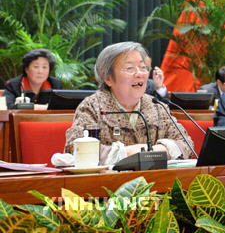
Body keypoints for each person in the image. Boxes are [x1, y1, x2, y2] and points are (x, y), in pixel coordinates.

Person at [65, 42, 194, 163]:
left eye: (143, 67)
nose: (139, 74)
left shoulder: (157, 106)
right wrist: (129, 153)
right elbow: (75, 149)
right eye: (130, 68)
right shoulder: (92, 106)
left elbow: (186, 143)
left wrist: (157, 151)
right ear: (108, 78)